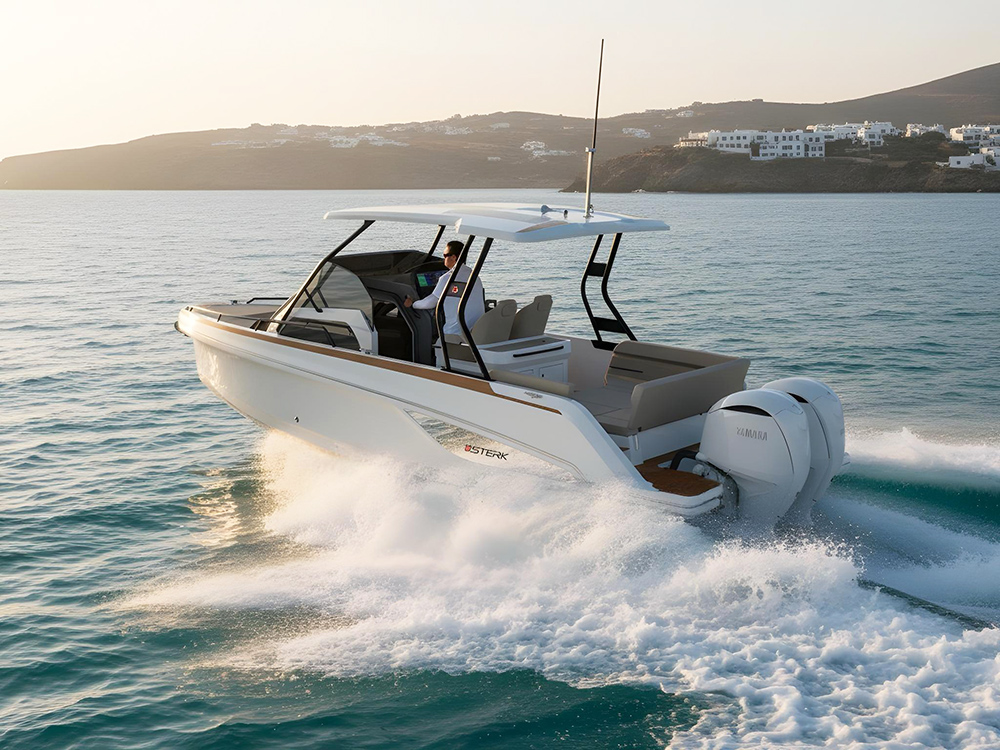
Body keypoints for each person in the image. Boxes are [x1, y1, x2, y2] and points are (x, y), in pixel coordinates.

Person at [404, 240, 485, 336]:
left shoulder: (447, 278)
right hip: (475, 331)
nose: (444, 259)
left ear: (454, 257)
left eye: (445, 255)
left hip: (454, 334)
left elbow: (429, 303)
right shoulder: (474, 277)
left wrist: (413, 303)